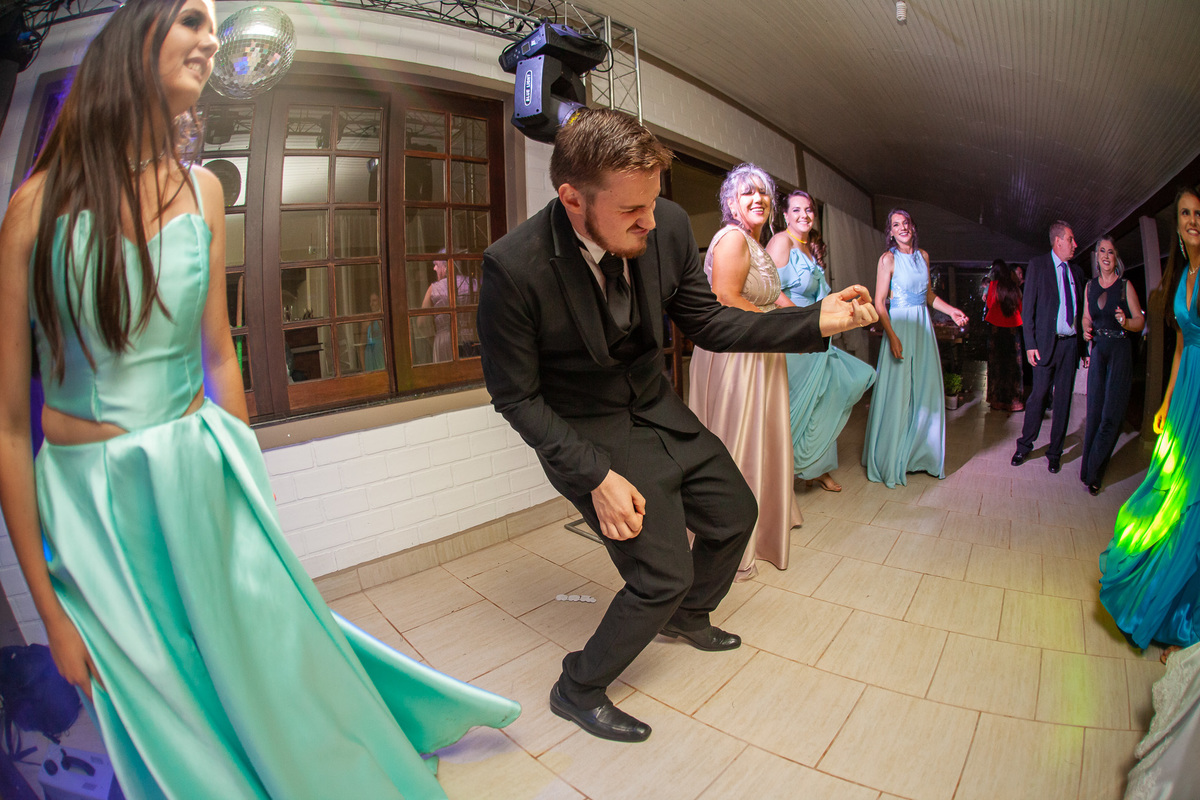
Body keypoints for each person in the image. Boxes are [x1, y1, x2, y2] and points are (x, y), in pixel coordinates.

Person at [0, 2, 518, 797]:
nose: (212, 38)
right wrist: (49, 610)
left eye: (214, 24)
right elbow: (9, 426)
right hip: (90, 508)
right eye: (191, 19)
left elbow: (217, 350)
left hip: (199, 473)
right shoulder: (35, 208)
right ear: (133, 40)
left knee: (260, 655)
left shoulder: (203, 192)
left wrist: (249, 481)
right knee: (162, 700)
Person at [476, 108, 877, 743]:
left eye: (654, 202)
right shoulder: (514, 266)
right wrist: (595, 477)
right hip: (589, 433)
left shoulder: (663, 226)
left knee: (735, 514)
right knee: (661, 573)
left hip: (657, 407)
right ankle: (577, 687)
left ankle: (687, 616)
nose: (651, 220)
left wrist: (813, 322)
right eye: (631, 210)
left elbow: (710, 322)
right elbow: (516, 397)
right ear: (573, 198)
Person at [1100, 186, 1200, 662]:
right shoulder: (1182, 278)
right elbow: (1180, 348)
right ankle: (1163, 594)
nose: (1193, 220)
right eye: (1185, 214)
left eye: (1199, 213)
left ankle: (1185, 615)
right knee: (1168, 491)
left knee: (1192, 499)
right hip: (1184, 397)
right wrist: (1165, 401)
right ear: (1176, 225)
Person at [687, 164, 801, 580]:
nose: (758, 199)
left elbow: (774, 298)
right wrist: (782, 329)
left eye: (764, 193)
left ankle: (763, 525)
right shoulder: (733, 238)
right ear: (731, 204)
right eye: (747, 193)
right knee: (738, 444)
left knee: (762, 441)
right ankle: (729, 542)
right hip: (737, 356)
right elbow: (726, 297)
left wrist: (812, 320)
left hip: (760, 351)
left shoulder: (757, 244)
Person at [765, 190, 874, 493]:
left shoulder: (810, 249)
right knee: (797, 405)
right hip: (794, 334)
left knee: (825, 396)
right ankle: (779, 473)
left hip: (817, 334)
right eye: (796, 210)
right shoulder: (781, 242)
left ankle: (816, 467)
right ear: (785, 215)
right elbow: (769, 289)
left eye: (809, 210)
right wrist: (802, 321)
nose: (804, 215)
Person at [862, 209, 968, 487]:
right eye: (896, 225)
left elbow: (928, 295)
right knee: (898, 391)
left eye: (906, 223)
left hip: (923, 328)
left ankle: (919, 455)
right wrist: (892, 336)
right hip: (899, 326)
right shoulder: (887, 259)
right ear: (891, 232)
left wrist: (952, 311)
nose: (903, 228)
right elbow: (879, 302)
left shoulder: (923, 256)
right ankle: (890, 455)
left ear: (912, 227)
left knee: (924, 389)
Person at [1011, 220, 1087, 473]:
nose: (1075, 244)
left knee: (1063, 400)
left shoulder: (1076, 272)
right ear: (1058, 241)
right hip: (1044, 345)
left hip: (1070, 346)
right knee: (1039, 396)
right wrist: (1030, 344)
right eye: (1071, 239)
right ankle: (1024, 445)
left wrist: (1083, 349)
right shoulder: (1038, 265)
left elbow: (1080, 313)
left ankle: (1055, 452)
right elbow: (1028, 309)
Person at [1079, 236, 1144, 495]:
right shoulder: (1090, 287)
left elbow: (1140, 321)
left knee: (1111, 415)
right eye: (1102, 251)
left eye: (1111, 252)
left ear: (1116, 258)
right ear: (1097, 256)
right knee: (1094, 412)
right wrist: (1085, 329)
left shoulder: (1125, 286)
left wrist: (1126, 322)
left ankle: (1094, 472)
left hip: (1119, 351)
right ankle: (1089, 468)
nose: (1106, 256)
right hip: (1099, 352)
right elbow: (1086, 317)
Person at [984, 259, 1025, 412]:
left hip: (996, 328)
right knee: (1013, 366)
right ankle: (1014, 402)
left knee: (997, 366)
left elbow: (990, 305)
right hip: (1013, 328)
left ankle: (997, 401)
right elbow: (1020, 308)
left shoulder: (993, 285)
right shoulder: (1014, 287)